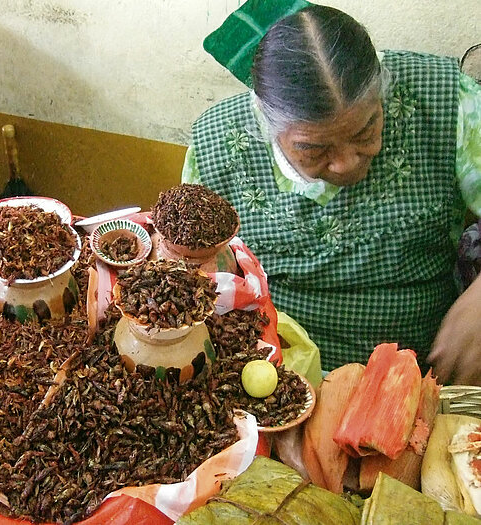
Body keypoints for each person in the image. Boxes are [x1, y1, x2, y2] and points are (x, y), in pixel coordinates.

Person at [182, 1, 481, 383]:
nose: (346, 163)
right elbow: (193, 274)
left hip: (420, 370)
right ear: (267, 126)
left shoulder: (445, 101)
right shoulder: (217, 146)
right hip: (274, 371)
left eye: (365, 132)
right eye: (315, 149)